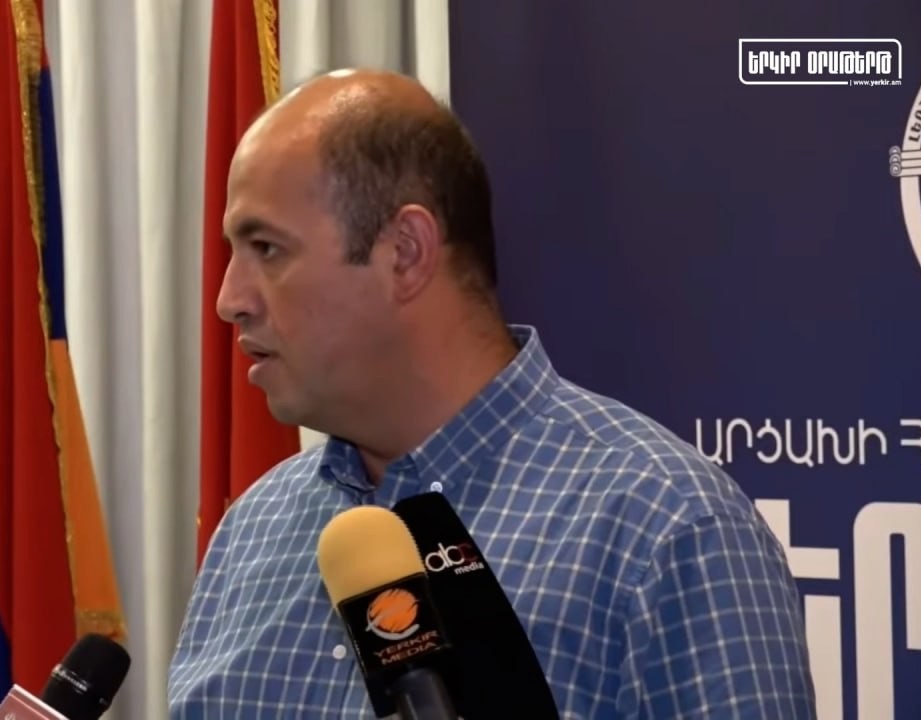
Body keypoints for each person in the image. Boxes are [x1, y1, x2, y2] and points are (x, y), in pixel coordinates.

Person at [167, 68, 815, 718]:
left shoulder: (665, 529)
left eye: (267, 248)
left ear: (405, 252)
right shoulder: (250, 531)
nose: (229, 300)